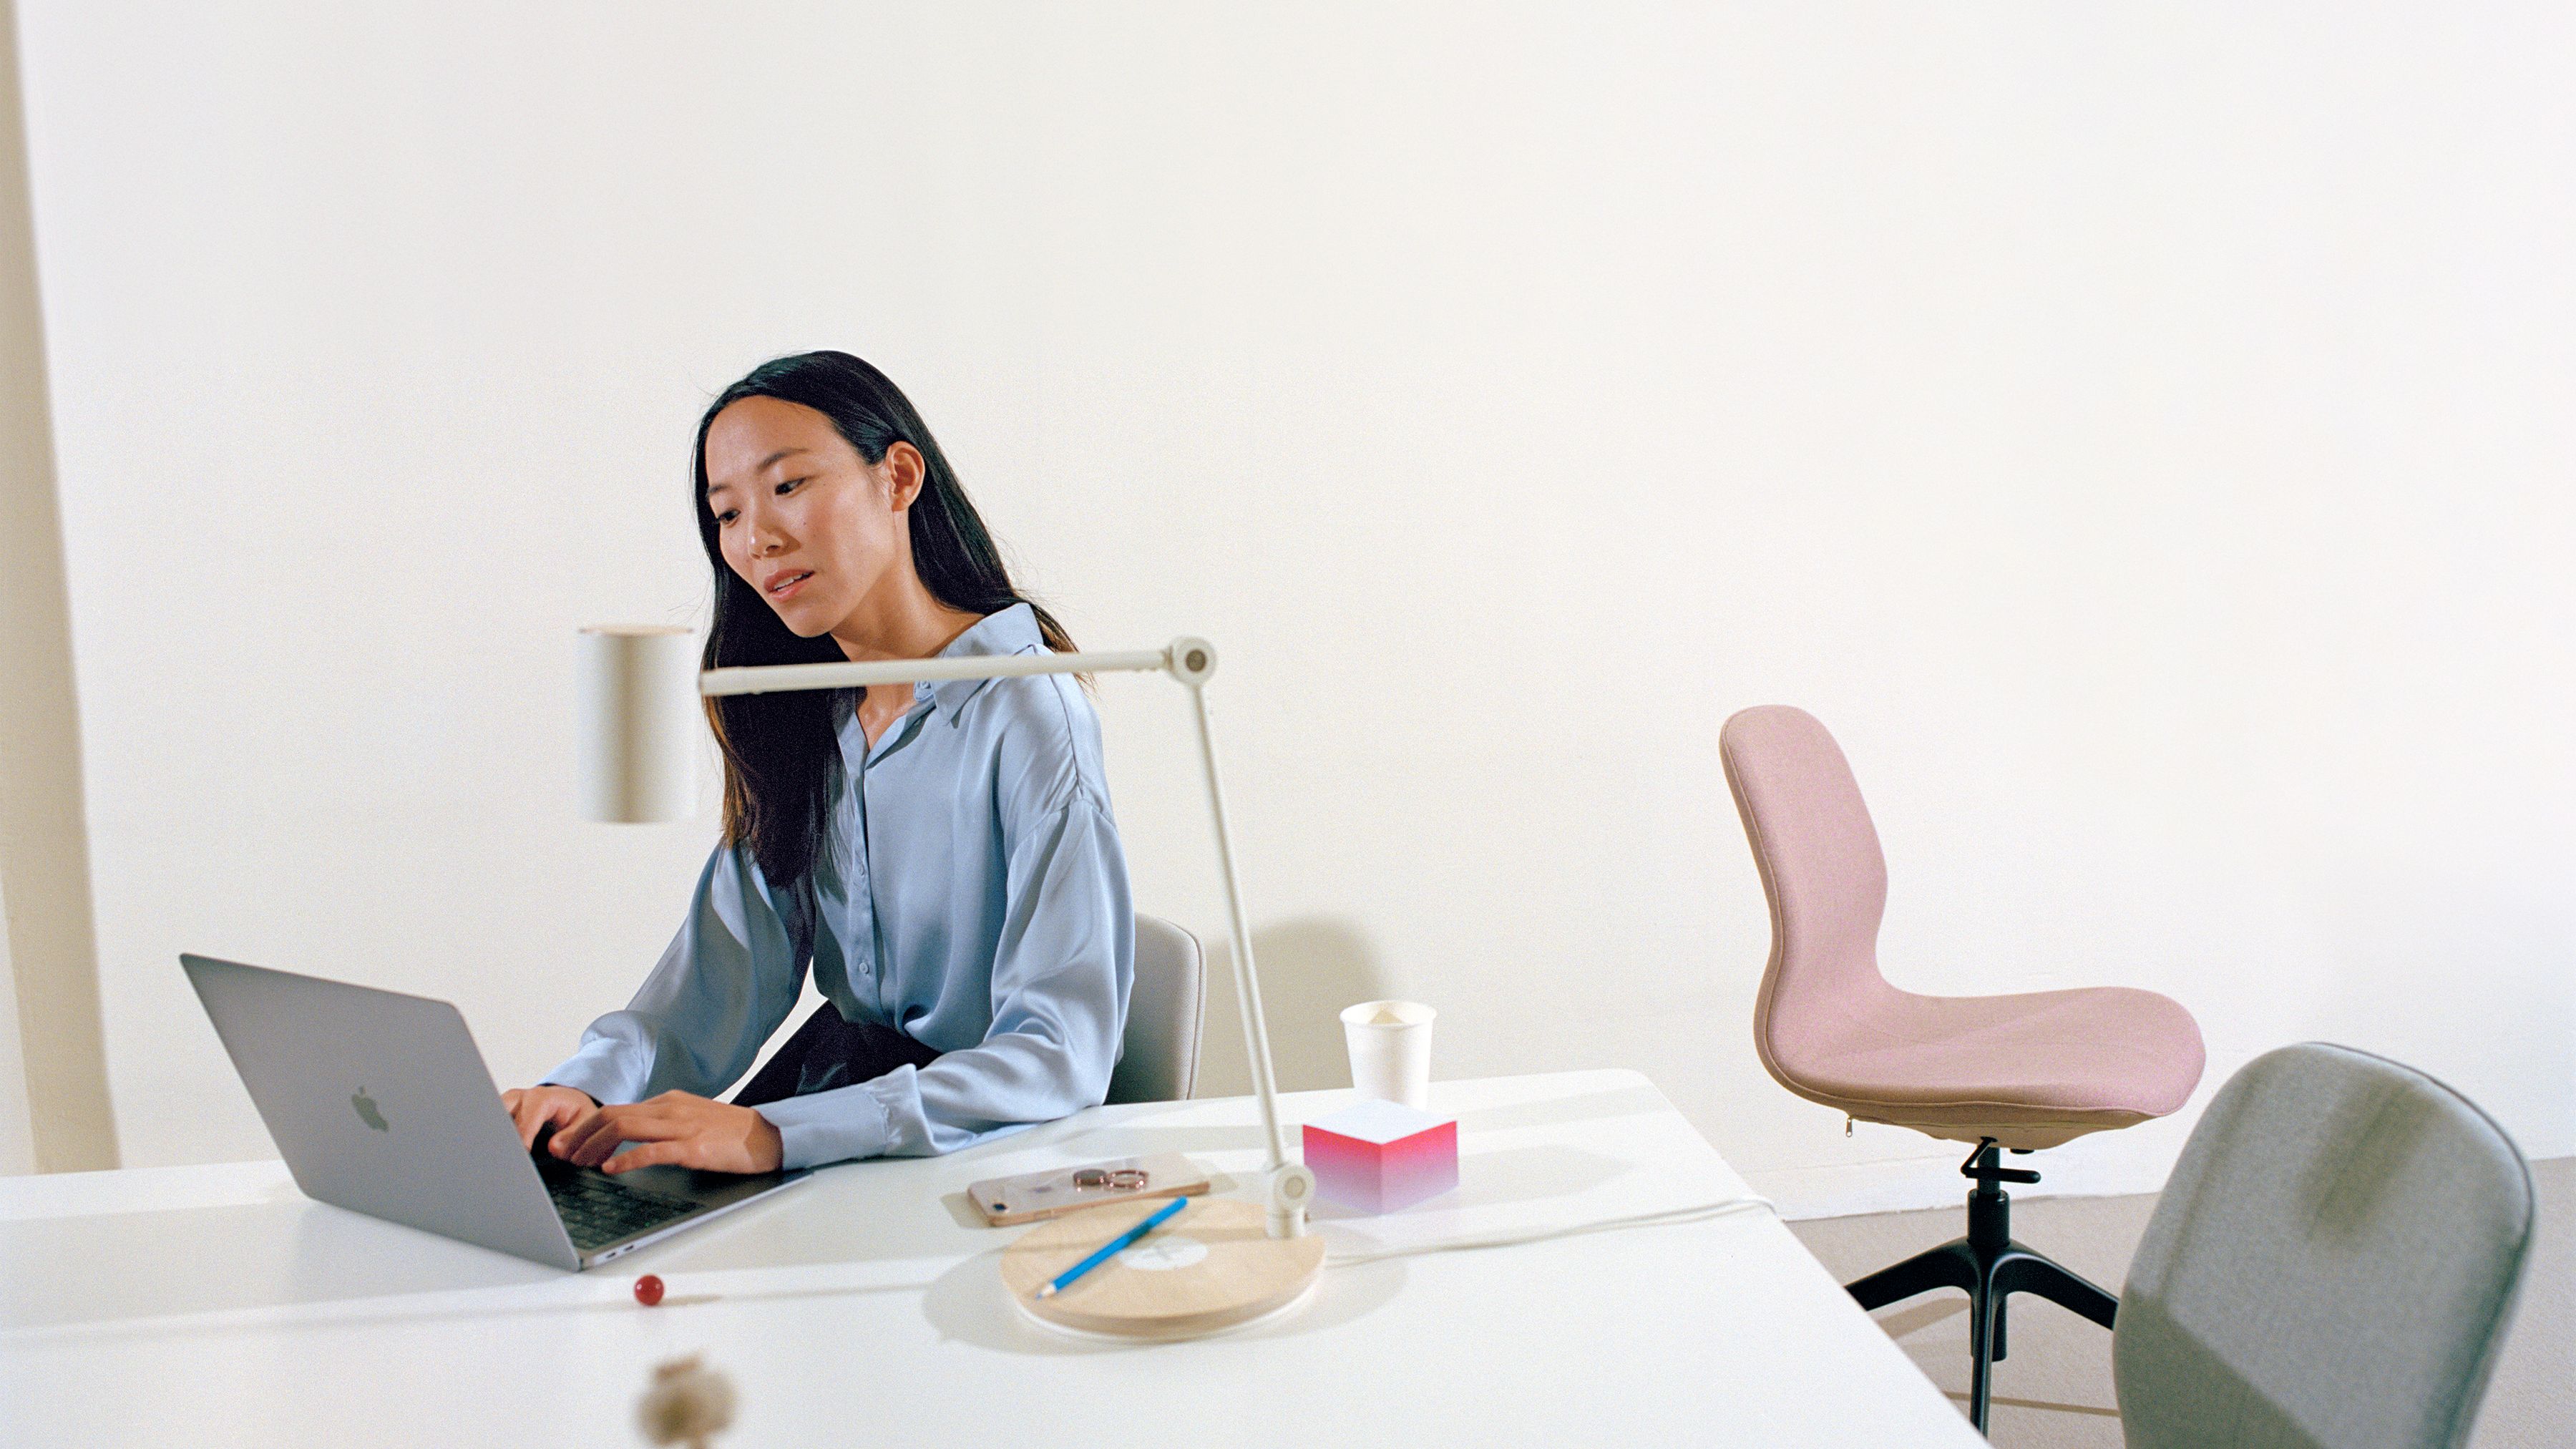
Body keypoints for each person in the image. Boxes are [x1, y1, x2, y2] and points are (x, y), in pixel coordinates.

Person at [502, 351, 1133, 1175]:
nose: (756, 537)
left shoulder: (1029, 715)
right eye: (725, 513)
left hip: (979, 1153)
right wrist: (580, 1092)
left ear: (898, 476)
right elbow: (717, 988)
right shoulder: (808, 714)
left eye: (787, 487)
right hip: (844, 1110)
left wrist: (776, 1134)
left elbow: (1061, 1052)